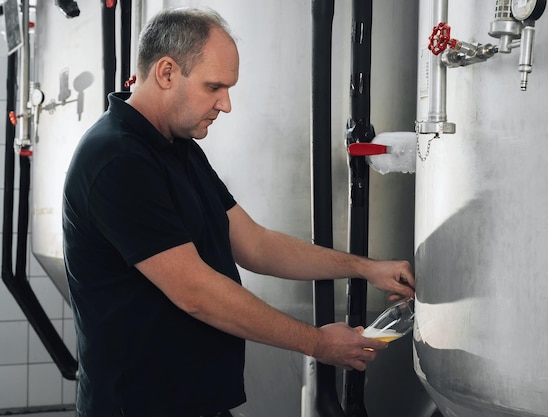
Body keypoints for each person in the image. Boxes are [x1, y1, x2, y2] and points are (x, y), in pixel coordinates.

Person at [62, 7, 414, 417]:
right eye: (214, 87)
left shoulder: (178, 148)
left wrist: (366, 268)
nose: (225, 105)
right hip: (139, 406)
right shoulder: (116, 160)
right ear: (166, 73)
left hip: (197, 402)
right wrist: (317, 343)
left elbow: (255, 243)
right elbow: (196, 293)